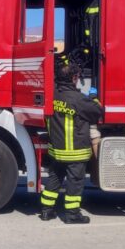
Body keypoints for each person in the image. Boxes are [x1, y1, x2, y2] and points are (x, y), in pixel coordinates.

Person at [39, 60, 103, 224]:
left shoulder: (52, 95)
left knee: (54, 179)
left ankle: (46, 211)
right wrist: (94, 98)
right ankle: (72, 215)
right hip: (75, 151)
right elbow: (97, 112)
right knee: (75, 183)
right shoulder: (79, 100)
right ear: (74, 78)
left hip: (57, 150)